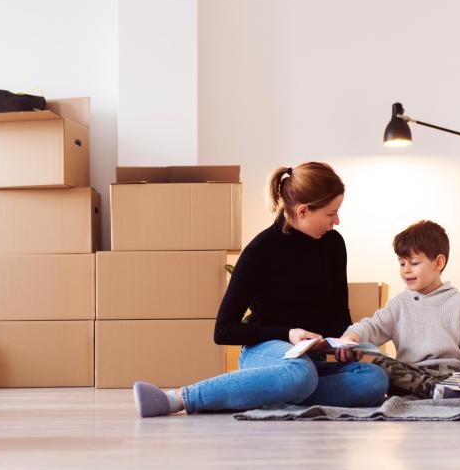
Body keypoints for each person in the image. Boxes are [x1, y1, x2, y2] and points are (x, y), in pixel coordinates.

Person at [133, 162, 389, 417]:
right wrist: (288, 333)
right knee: (300, 374)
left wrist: (343, 345)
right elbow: (223, 330)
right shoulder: (260, 251)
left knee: (374, 379)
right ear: (303, 211)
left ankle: (269, 393)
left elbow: (338, 311)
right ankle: (179, 398)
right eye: (331, 213)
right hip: (264, 353)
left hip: (308, 363)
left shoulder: (333, 244)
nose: (337, 221)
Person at [339, 220, 460, 400]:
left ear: (438, 263)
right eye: (402, 264)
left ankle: (440, 390)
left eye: (414, 263)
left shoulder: (458, 302)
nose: (406, 271)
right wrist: (353, 336)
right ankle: (435, 390)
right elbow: (373, 326)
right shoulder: (399, 304)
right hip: (413, 374)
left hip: (452, 376)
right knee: (380, 365)